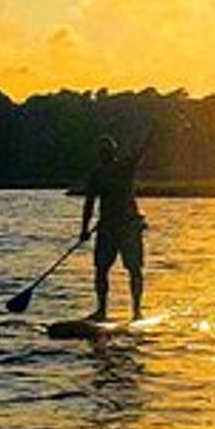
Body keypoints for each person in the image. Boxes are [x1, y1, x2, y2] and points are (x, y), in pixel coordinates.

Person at [78, 129, 153, 321]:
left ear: (113, 152)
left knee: (134, 268)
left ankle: (136, 311)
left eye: (107, 151)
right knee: (101, 269)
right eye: (101, 151)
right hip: (107, 228)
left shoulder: (125, 168)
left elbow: (141, 151)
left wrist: (153, 131)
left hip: (129, 227)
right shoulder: (95, 175)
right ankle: (101, 310)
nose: (104, 154)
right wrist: (84, 230)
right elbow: (89, 203)